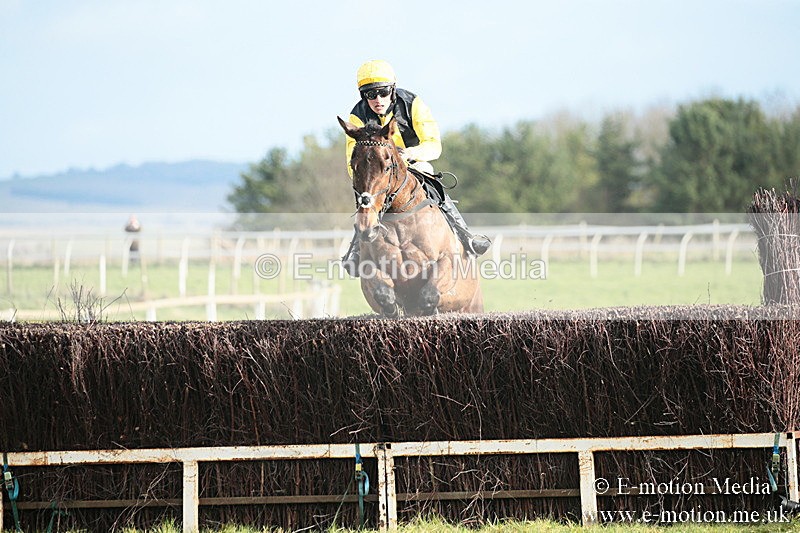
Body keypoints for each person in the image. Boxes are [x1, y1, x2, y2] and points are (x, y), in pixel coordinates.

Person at [341, 59, 491, 277]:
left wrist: (410, 154)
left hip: (412, 163)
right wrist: (365, 178)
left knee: (427, 171)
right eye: (370, 94)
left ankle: (465, 234)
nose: (378, 99)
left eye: (383, 92)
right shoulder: (357, 115)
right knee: (365, 190)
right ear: (363, 95)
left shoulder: (413, 104)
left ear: (392, 89)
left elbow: (433, 144)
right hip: (380, 172)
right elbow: (351, 158)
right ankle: (356, 248)